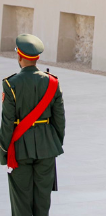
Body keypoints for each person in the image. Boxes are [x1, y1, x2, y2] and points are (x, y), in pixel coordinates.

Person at [2, 34, 65, 216]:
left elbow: (7, 123)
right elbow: (59, 120)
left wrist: (3, 153)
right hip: (46, 148)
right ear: (37, 58)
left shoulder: (10, 84)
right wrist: (54, 144)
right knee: (42, 203)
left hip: (19, 149)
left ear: (19, 56)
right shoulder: (52, 82)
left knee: (21, 204)